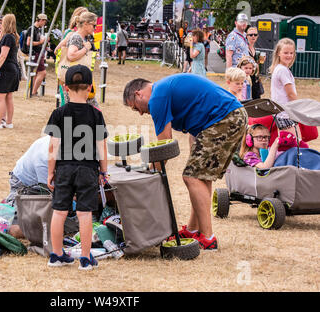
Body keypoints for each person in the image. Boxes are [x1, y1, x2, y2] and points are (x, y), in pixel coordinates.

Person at [123, 74, 248, 250]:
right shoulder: (163, 89)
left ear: (138, 94)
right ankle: (193, 229)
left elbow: (164, 145)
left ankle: (207, 237)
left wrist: (149, 174)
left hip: (225, 118)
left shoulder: (157, 97)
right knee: (201, 177)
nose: (142, 113)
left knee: (192, 177)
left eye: (136, 108)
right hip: (232, 115)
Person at [45, 65, 108, 270]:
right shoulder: (96, 114)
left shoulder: (59, 113)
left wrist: (50, 172)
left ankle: (56, 254)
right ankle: (85, 258)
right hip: (87, 169)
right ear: (90, 87)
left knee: (59, 211)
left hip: (64, 168)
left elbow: (53, 145)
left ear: (65, 88)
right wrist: (103, 171)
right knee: (84, 213)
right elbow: (102, 147)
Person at [5, 135, 51, 238]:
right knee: (20, 230)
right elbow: (49, 195)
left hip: (43, 185)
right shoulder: (44, 158)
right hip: (25, 185)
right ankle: (11, 205)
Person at [0, 14, 21, 130]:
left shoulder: (7, 37)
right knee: (8, 97)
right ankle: (9, 122)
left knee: (0, 96)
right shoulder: (14, 36)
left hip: (6, 70)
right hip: (13, 69)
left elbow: (3, 56)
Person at [64, 11, 99, 108]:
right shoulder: (77, 37)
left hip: (79, 83)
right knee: (92, 112)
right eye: (94, 25)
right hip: (76, 85)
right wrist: (86, 49)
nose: (95, 28)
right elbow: (71, 55)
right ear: (86, 24)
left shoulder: (82, 37)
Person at [27, 13, 48, 97]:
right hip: (36, 53)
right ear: (41, 20)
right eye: (44, 22)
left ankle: (33, 91)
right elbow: (28, 43)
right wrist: (40, 42)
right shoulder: (32, 29)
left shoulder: (37, 29)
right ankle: (33, 92)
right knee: (43, 73)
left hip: (39, 53)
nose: (44, 24)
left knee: (36, 73)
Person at [246, 26, 265, 99]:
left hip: (255, 80)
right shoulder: (245, 48)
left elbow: (255, 66)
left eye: (255, 35)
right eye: (251, 35)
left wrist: (259, 62)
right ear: (247, 36)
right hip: (247, 79)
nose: (253, 36)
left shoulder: (254, 49)